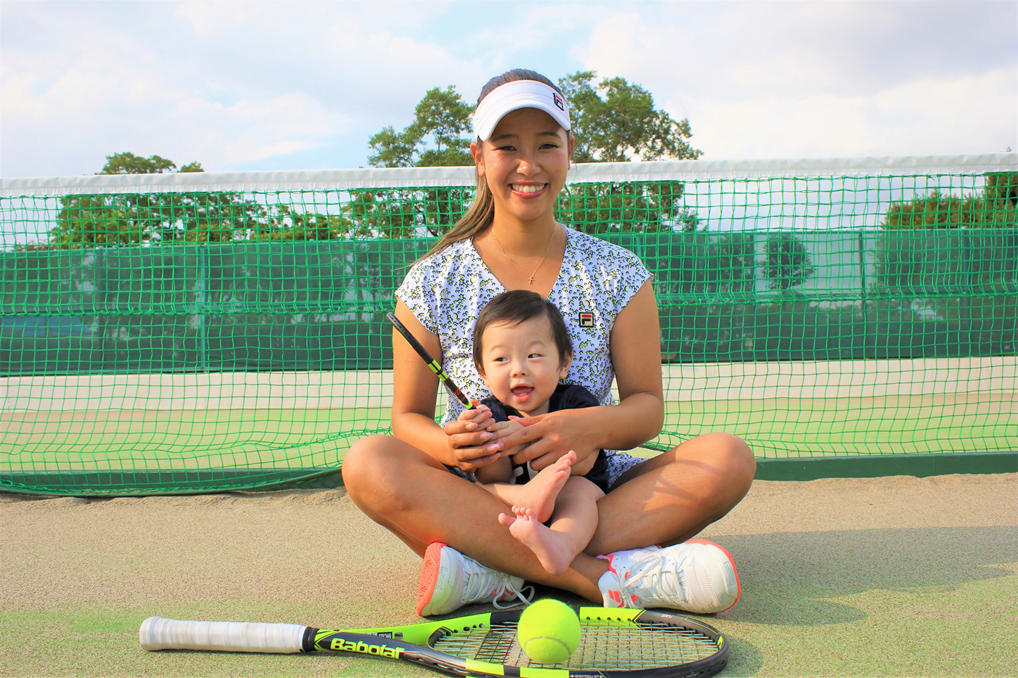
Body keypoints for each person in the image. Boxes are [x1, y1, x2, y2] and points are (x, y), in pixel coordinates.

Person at [341, 68, 756, 617]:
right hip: (486, 495)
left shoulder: (618, 272)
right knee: (368, 460)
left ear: (569, 152)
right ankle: (600, 580)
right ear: (479, 157)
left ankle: (491, 572)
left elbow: (646, 409)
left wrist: (584, 426)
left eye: (546, 145)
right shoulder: (430, 279)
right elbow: (407, 419)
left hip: (590, 488)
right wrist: (451, 448)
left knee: (726, 458)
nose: (527, 165)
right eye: (507, 146)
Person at [463, 289, 608, 577]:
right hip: (518, 498)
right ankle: (528, 500)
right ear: (482, 371)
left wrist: (525, 433)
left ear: (564, 363)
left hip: (573, 486)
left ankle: (563, 544)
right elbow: (493, 476)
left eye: (533, 355)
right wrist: (484, 440)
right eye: (501, 360)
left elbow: (584, 459)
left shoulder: (576, 402)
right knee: (480, 491)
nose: (518, 369)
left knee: (579, 495)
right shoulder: (490, 413)